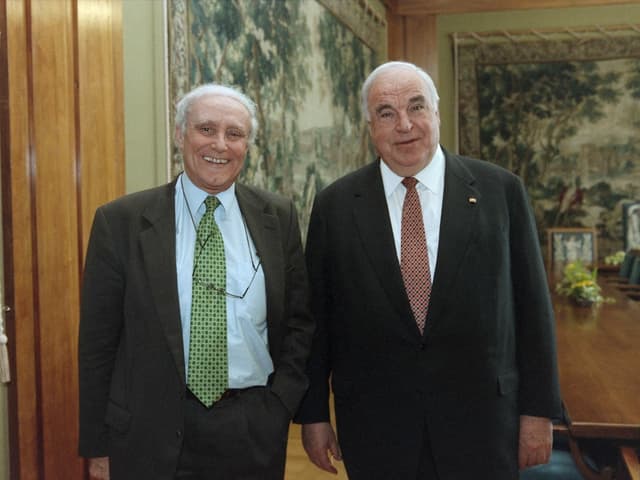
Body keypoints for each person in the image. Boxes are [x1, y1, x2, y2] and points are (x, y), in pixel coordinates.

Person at [295, 61, 562, 479]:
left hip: (484, 425)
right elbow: (317, 321)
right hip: (377, 430)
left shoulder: (499, 191)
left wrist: (538, 412)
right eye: (386, 112)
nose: (404, 125)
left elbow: (533, 309)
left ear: (437, 114)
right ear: (370, 126)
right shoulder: (335, 205)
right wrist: (313, 415)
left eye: (416, 107)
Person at [78, 83, 314, 480]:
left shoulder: (279, 217)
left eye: (234, 134)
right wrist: (97, 444)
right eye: (206, 129)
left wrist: (279, 405)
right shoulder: (120, 222)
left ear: (247, 145)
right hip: (149, 433)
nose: (220, 145)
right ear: (180, 134)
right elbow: (98, 346)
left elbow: (299, 323)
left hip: (252, 430)